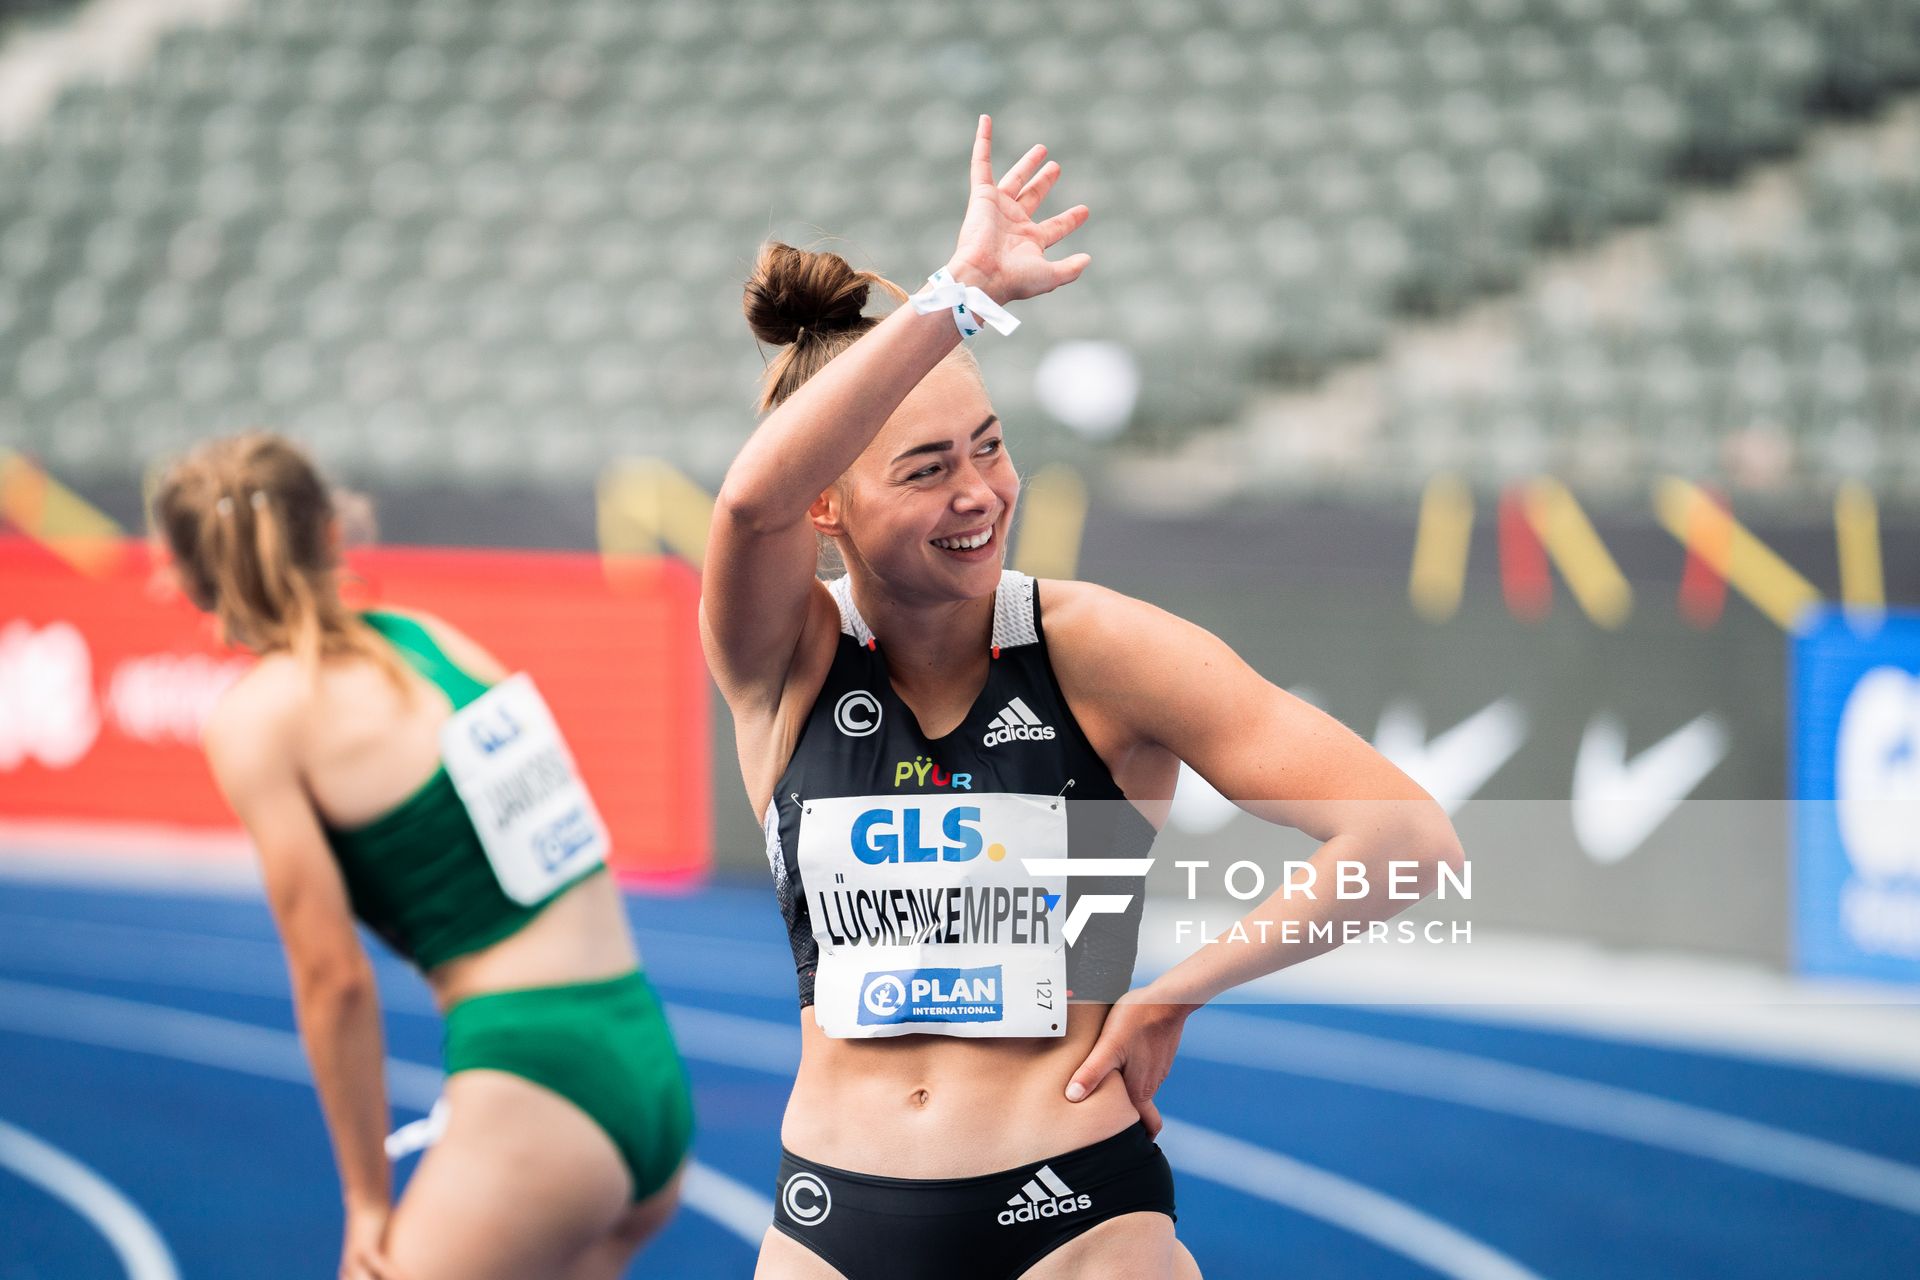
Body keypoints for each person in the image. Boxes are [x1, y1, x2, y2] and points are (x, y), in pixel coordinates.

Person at [702, 116, 1466, 1280]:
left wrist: (1175, 993)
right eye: (926, 467)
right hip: (831, 1223)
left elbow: (1406, 834)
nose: (979, 494)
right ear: (828, 507)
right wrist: (953, 295)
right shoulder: (786, 660)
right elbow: (746, 506)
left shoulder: (1098, 647)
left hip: (1077, 1221)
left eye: (989, 446)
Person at [153, 432, 692, 1280]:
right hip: (640, 1051)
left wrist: (368, 1197)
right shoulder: (430, 643)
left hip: (538, 1078)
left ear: (189, 581)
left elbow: (331, 979)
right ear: (333, 534)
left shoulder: (261, 718)